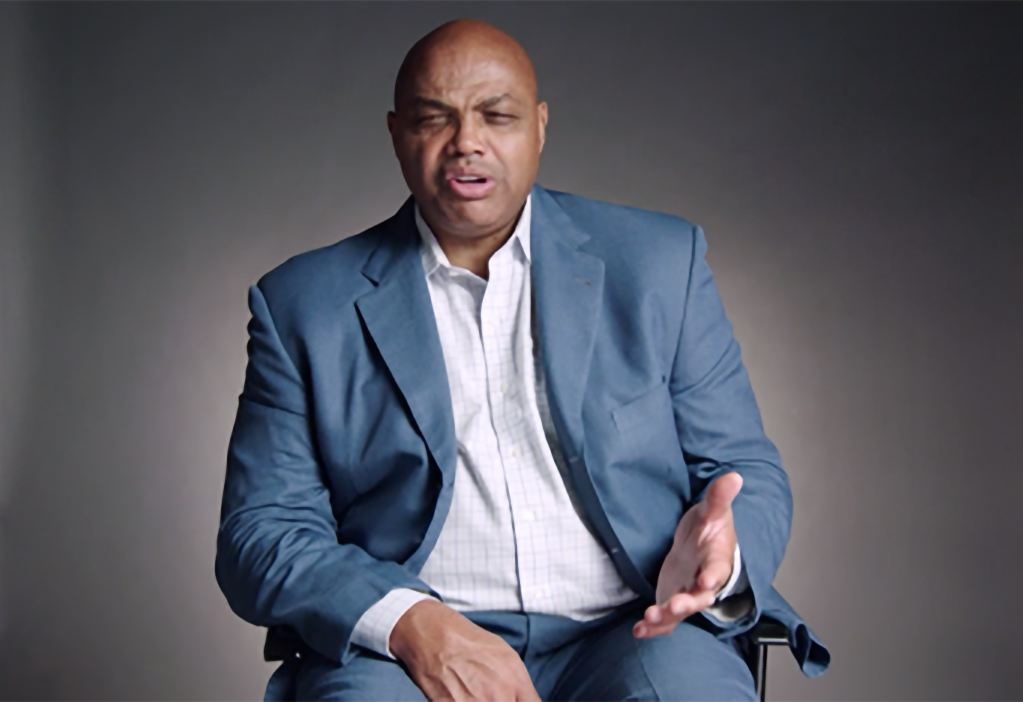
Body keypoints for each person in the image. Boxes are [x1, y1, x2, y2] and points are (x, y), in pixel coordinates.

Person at [216, 18, 828, 702]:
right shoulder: (303, 304)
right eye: (433, 118)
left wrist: (723, 554)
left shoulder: (659, 264)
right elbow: (260, 531)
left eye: (496, 116)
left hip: (635, 631)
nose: (466, 142)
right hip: (413, 649)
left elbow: (743, 471)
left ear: (539, 127)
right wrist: (410, 623)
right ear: (396, 134)